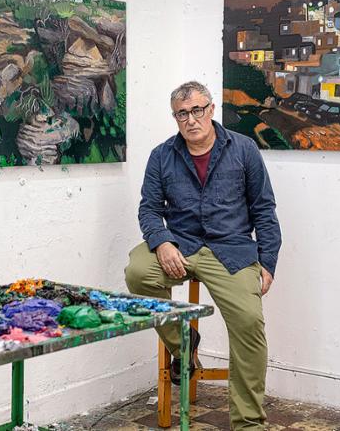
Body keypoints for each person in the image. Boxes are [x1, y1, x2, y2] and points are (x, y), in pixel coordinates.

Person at [125, 81, 282, 430]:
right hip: (181, 245)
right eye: (182, 113)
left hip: (231, 250)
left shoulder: (244, 149)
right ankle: (184, 344)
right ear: (175, 118)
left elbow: (264, 209)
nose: (191, 119)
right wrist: (162, 242)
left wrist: (268, 261)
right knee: (138, 272)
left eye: (197, 110)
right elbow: (149, 209)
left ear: (211, 109)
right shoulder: (161, 155)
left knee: (249, 322)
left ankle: (248, 423)